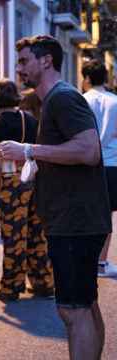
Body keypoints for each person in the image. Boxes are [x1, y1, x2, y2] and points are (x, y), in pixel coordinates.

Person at [0, 35, 111, 360]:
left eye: (23, 61)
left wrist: (29, 150)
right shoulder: (55, 100)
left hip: (75, 222)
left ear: (46, 60)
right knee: (85, 305)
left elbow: (89, 150)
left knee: (72, 311)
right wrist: (35, 161)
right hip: (76, 220)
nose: (18, 68)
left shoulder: (62, 98)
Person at [0, 79, 54, 301]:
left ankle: (11, 287)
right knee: (35, 233)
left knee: (13, 235)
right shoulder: (30, 119)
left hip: (11, 183)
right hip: (34, 179)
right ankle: (43, 283)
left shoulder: (0, 121)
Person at [82, 59, 117, 278]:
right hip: (113, 163)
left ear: (86, 78)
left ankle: (86, 259)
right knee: (107, 216)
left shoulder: (82, 100)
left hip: (87, 163)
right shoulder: (115, 101)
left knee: (88, 213)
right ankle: (101, 263)